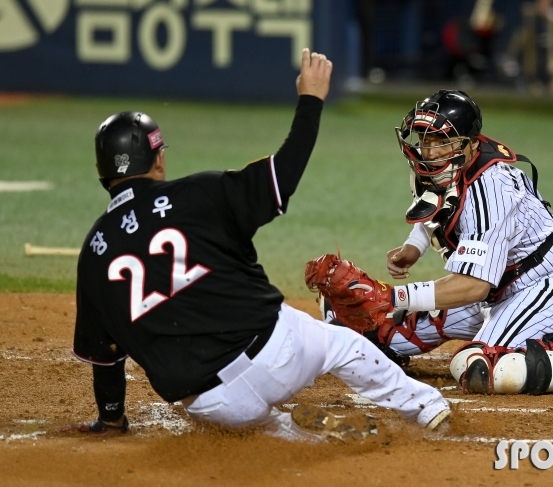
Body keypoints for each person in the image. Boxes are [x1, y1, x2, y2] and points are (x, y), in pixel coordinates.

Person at [65, 49, 451, 440]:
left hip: (211, 399)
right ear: (158, 159)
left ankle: (303, 435)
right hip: (280, 352)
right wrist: (311, 100)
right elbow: (281, 177)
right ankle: (427, 408)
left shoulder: (94, 252)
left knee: (243, 428)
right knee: (343, 346)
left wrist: (111, 418)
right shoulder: (199, 193)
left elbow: (105, 355)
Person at [319, 89, 553, 396]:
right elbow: (441, 209)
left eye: (440, 141)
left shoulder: (491, 189)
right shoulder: (441, 169)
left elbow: (473, 285)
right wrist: (413, 247)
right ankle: (549, 340)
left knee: (480, 366)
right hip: (498, 291)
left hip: (547, 286)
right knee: (385, 335)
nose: (429, 151)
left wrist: (394, 296)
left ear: (470, 145)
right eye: (424, 139)